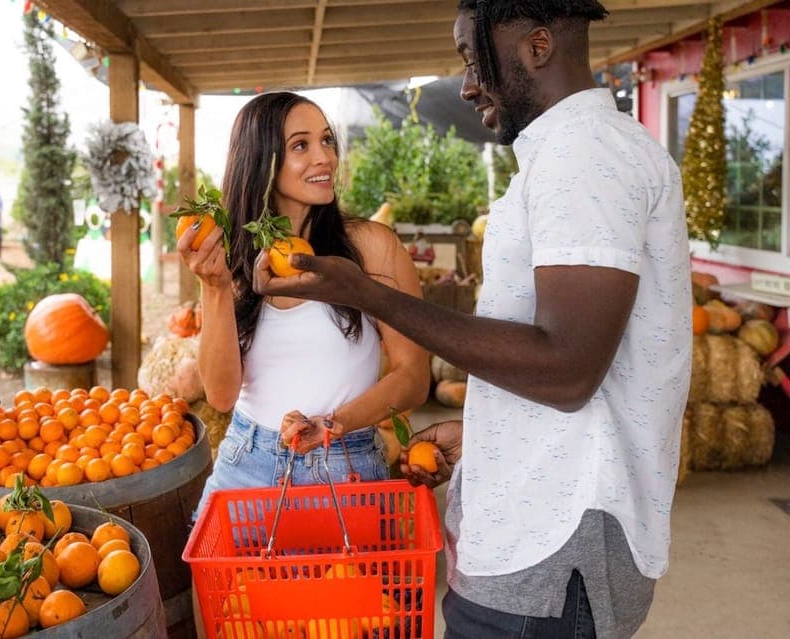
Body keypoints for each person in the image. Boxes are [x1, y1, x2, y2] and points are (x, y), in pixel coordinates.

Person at [252, 2, 692, 637]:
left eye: (470, 57)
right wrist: (487, 423)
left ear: (537, 47)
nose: (464, 84)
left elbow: (567, 368)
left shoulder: (583, 156)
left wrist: (367, 295)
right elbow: (565, 357)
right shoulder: (569, 155)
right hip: (537, 539)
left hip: (548, 551)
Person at [177, 92, 430, 514]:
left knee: (344, 581)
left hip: (345, 463)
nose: (324, 157)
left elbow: (414, 377)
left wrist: (335, 424)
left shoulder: (371, 248)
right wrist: (215, 288)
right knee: (226, 583)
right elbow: (221, 397)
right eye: (301, 145)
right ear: (263, 160)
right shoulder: (232, 258)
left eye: (327, 141)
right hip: (247, 464)